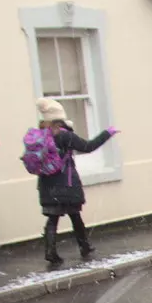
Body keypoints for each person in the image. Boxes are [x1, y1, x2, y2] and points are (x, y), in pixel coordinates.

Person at [33, 98, 116, 266]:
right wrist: (107, 133)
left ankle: (50, 251)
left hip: (47, 184)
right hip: (66, 182)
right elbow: (88, 146)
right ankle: (84, 246)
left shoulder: (40, 135)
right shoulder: (64, 135)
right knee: (75, 215)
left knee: (52, 218)